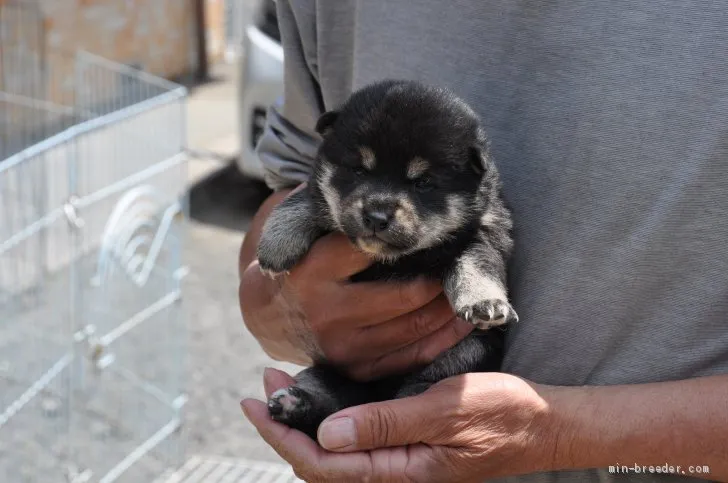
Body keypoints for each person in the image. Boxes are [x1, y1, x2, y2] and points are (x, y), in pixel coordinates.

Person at [238, 1, 728, 481]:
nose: (379, 209)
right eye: (358, 173)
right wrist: (272, 300)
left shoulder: (478, 217)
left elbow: (477, 257)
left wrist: (556, 434)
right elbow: (289, 187)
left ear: (477, 177)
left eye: (422, 184)